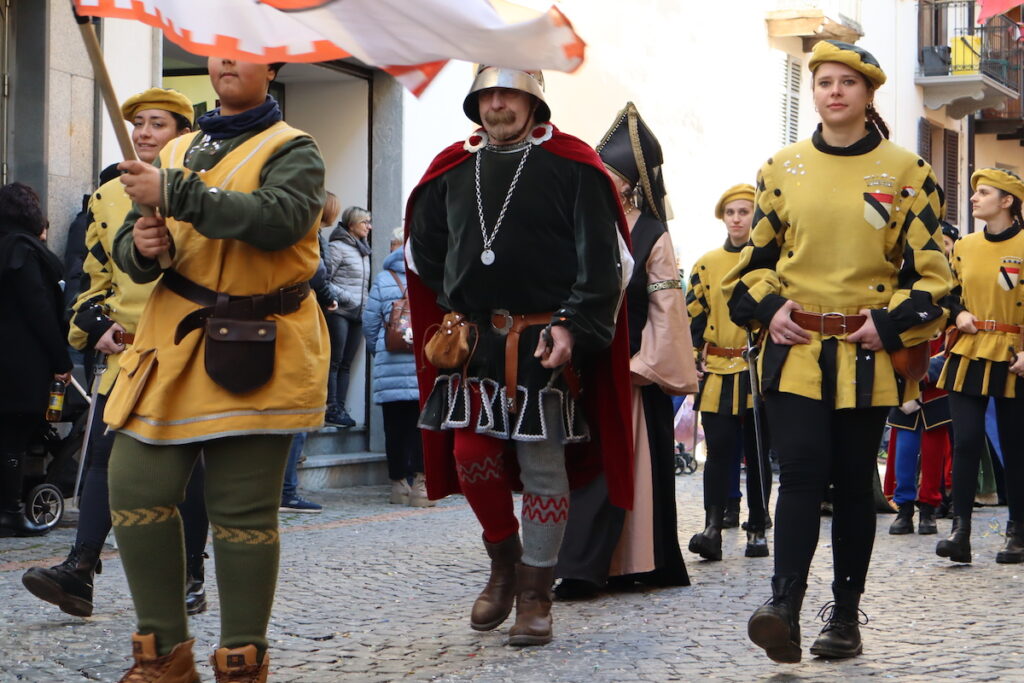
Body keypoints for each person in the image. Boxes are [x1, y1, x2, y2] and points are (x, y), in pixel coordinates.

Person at [723, 40, 952, 663]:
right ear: (815, 91)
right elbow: (751, 267)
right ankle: (784, 608)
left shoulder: (908, 173)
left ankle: (844, 618)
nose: (833, 91)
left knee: (852, 481)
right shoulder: (781, 168)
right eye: (823, 81)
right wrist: (771, 309)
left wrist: (892, 322)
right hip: (796, 351)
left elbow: (937, 277)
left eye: (846, 82)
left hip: (868, 352)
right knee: (797, 473)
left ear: (867, 94)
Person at [107, 58, 327, 681]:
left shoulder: (295, 148)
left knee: (242, 505)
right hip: (169, 342)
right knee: (134, 488)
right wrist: (142, 247)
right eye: (219, 48)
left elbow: (279, 220)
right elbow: (133, 245)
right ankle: (165, 656)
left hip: (259, 341)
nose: (228, 60)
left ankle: (241, 659)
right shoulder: (176, 146)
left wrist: (172, 193)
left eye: (244, 50)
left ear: (273, 65)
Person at [406, 65, 633, 647]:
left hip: (542, 341)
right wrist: (466, 300)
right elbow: (425, 254)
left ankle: (536, 594)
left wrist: (571, 326)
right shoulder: (452, 170)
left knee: (541, 466)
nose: (497, 105)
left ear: (534, 101)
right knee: (470, 452)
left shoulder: (572, 165)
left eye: (509, 94)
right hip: (474, 344)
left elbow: (604, 264)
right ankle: (504, 564)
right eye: (487, 95)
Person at [21, 88, 212, 619]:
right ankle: (79, 570)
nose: (146, 133)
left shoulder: (203, 191)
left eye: (160, 124)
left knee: (189, 465)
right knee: (103, 457)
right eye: (140, 125)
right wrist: (94, 323)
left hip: (190, 348)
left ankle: (191, 573)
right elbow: (90, 281)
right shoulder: (105, 199)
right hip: (126, 354)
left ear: (183, 134)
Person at [554, 102, 696, 598]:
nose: (598, 180)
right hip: (574, 366)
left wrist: (644, 365)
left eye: (607, 175)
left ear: (629, 184)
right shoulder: (572, 221)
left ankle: (620, 564)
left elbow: (667, 307)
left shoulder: (653, 234)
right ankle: (567, 559)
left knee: (622, 467)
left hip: (629, 370)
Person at [936, 168, 1024, 565]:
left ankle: (1018, 533)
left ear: (1007, 201)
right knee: (967, 441)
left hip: (1015, 355)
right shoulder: (965, 246)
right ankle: (961, 533)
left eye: (984, 192)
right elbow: (950, 294)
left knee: (1016, 447)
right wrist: (957, 316)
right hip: (969, 350)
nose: (973, 198)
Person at [686, 183, 773, 560]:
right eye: (730, 212)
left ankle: (757, 526)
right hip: (719, 369)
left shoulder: (772, 263)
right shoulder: (705, 264)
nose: (737, 219)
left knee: (757, 453)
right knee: (717, 452)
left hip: (757, 370)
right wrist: (693, 359)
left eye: (744, 212)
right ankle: (712, 526)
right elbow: (692, 317)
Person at [0, 182, 72, 536]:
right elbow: (39, 309)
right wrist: (62, 360)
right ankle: (10, 511)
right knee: (13, 439)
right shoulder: (22, 252)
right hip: (19, 362)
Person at [279, 193, 343, 514]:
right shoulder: (305, 232)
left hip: (292, 321)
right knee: (298, 410)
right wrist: (329, 295)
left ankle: (283, 489)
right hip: (297, 322)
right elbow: (316, 271)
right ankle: (286, 491)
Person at [362, 227, 434, 506]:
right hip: (423, 364)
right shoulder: (428, 276)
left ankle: (398, 486)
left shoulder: (382, 279)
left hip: (389, 364)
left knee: (394, 428)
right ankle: (422, 489)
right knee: (422, 427)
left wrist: (378, 349)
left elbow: (369, 323)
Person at [323, 205, 371, 428]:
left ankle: (339, 408)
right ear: (352, 224)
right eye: (365, 222)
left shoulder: (363, 250)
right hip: (340, 312)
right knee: (335, 361)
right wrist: (348, 298)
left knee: (346, 364)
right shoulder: (337, 247)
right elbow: (325, 280)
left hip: (358, 315)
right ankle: (330, 407)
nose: (369, 227)